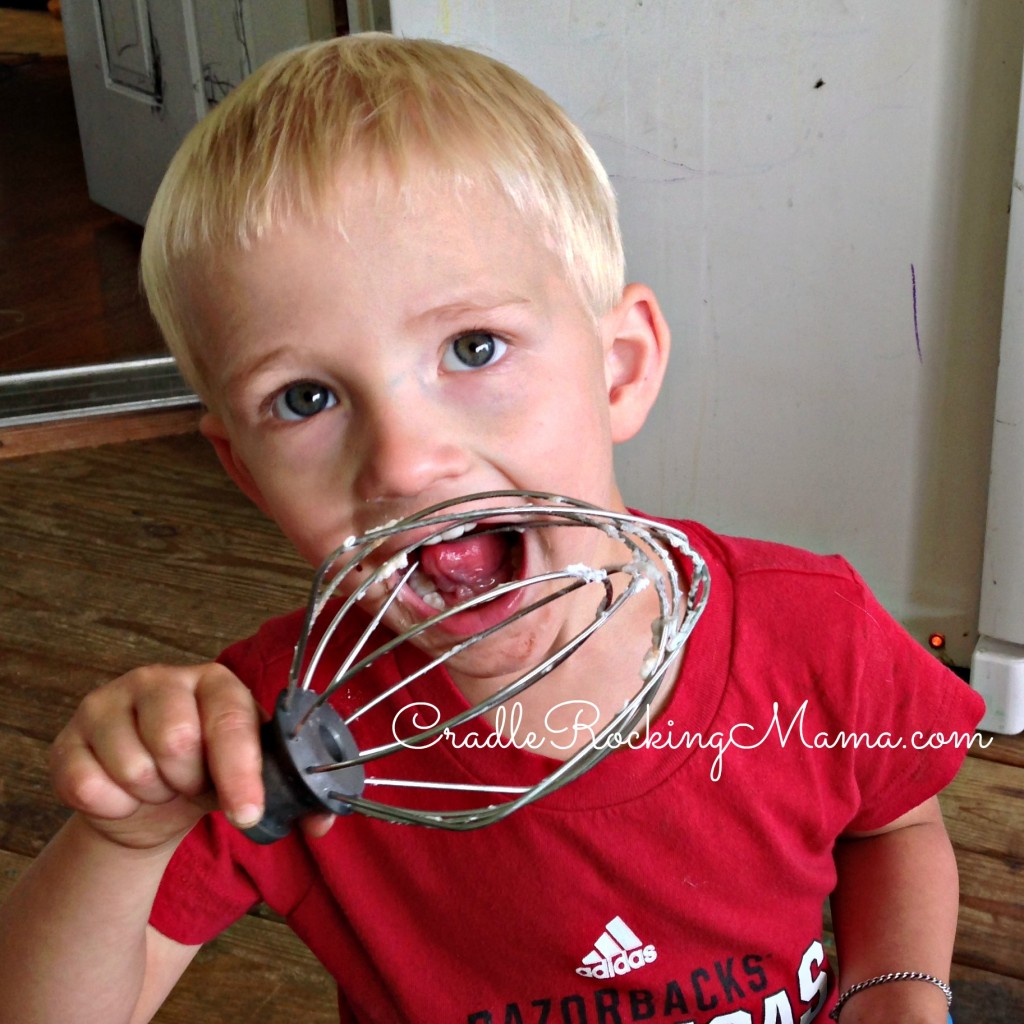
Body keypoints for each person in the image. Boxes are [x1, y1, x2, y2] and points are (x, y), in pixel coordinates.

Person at [0, 33, 984, 1024]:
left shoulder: (812, 635)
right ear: (244, 474)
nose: (404, 459)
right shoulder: (265, 738)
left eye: (473, 348)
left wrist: (895, 986)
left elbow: (893, 825)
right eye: (305, 397)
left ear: (621, 368)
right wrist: (122, 843)